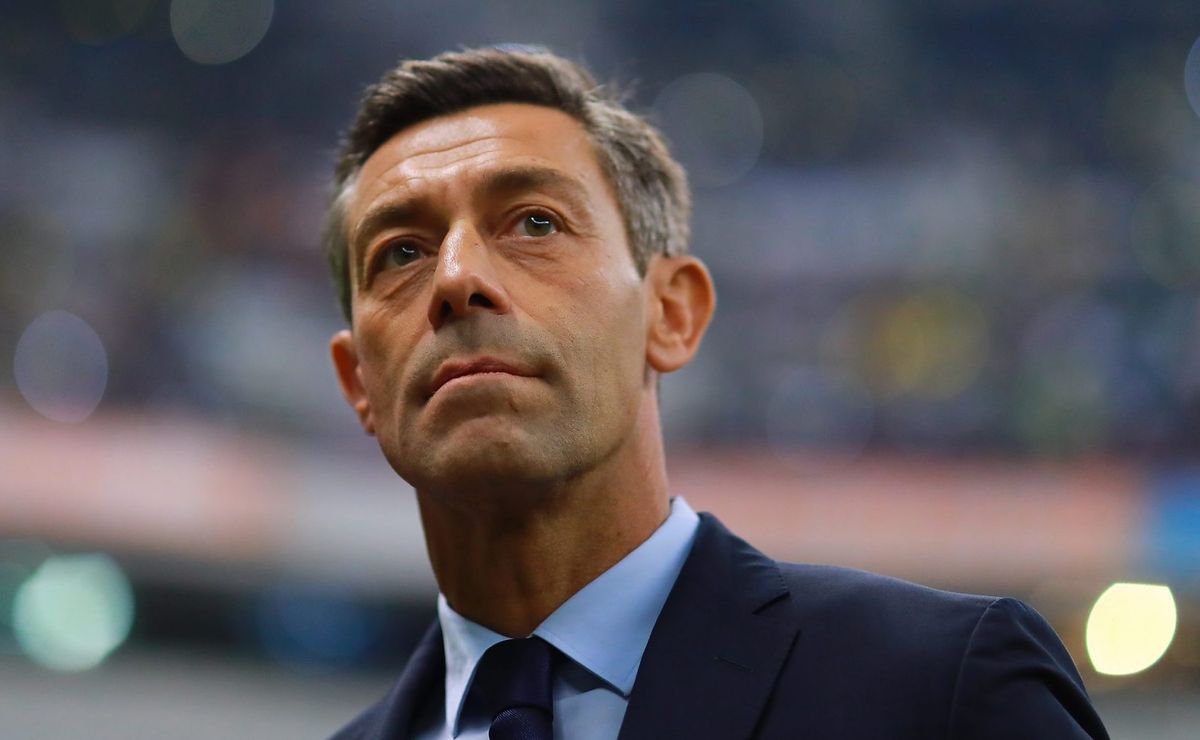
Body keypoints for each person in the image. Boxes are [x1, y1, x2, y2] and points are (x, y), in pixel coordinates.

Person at [323, 47, 1109, 740]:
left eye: (534, 223)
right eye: (401, 252)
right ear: (360, 383)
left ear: (671, 314)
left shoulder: (942, 688)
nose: (457, 276)